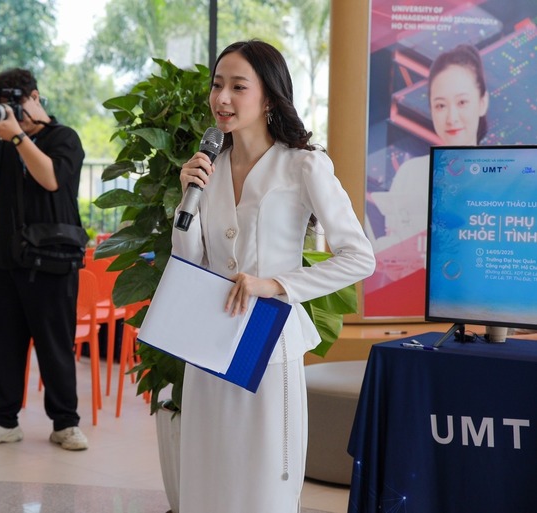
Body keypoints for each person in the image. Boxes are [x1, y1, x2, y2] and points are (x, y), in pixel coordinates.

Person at [172, 40, 375, 512]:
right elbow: (189, 260)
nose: (222, 98)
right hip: (208, 340)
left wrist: (276, 285)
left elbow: (359, 257)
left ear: (269, 97)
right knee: (206, 471)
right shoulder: (209, 167)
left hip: (267, 339)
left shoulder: (303, 164)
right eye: (217, 85)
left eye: (238, 86)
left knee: (261, 478)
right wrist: (187, 198)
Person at [0, 68, 88, 450]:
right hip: (6, 259)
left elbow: (50, 178)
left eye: (16, 103)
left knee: (55, 346)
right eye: (4, 105)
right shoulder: (2, 141)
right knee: (4, 345)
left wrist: (18, 135)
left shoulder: (63, 137)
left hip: (53, 261)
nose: (12, 112)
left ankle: (65, 423)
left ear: (35, 97)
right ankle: (3, 420)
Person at [370, 44, 489, 261]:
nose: (452, 118)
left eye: (462, 102)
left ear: (482, 102)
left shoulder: (502, 175)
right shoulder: (411, 173)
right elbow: (395, 248)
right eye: (440, 105)